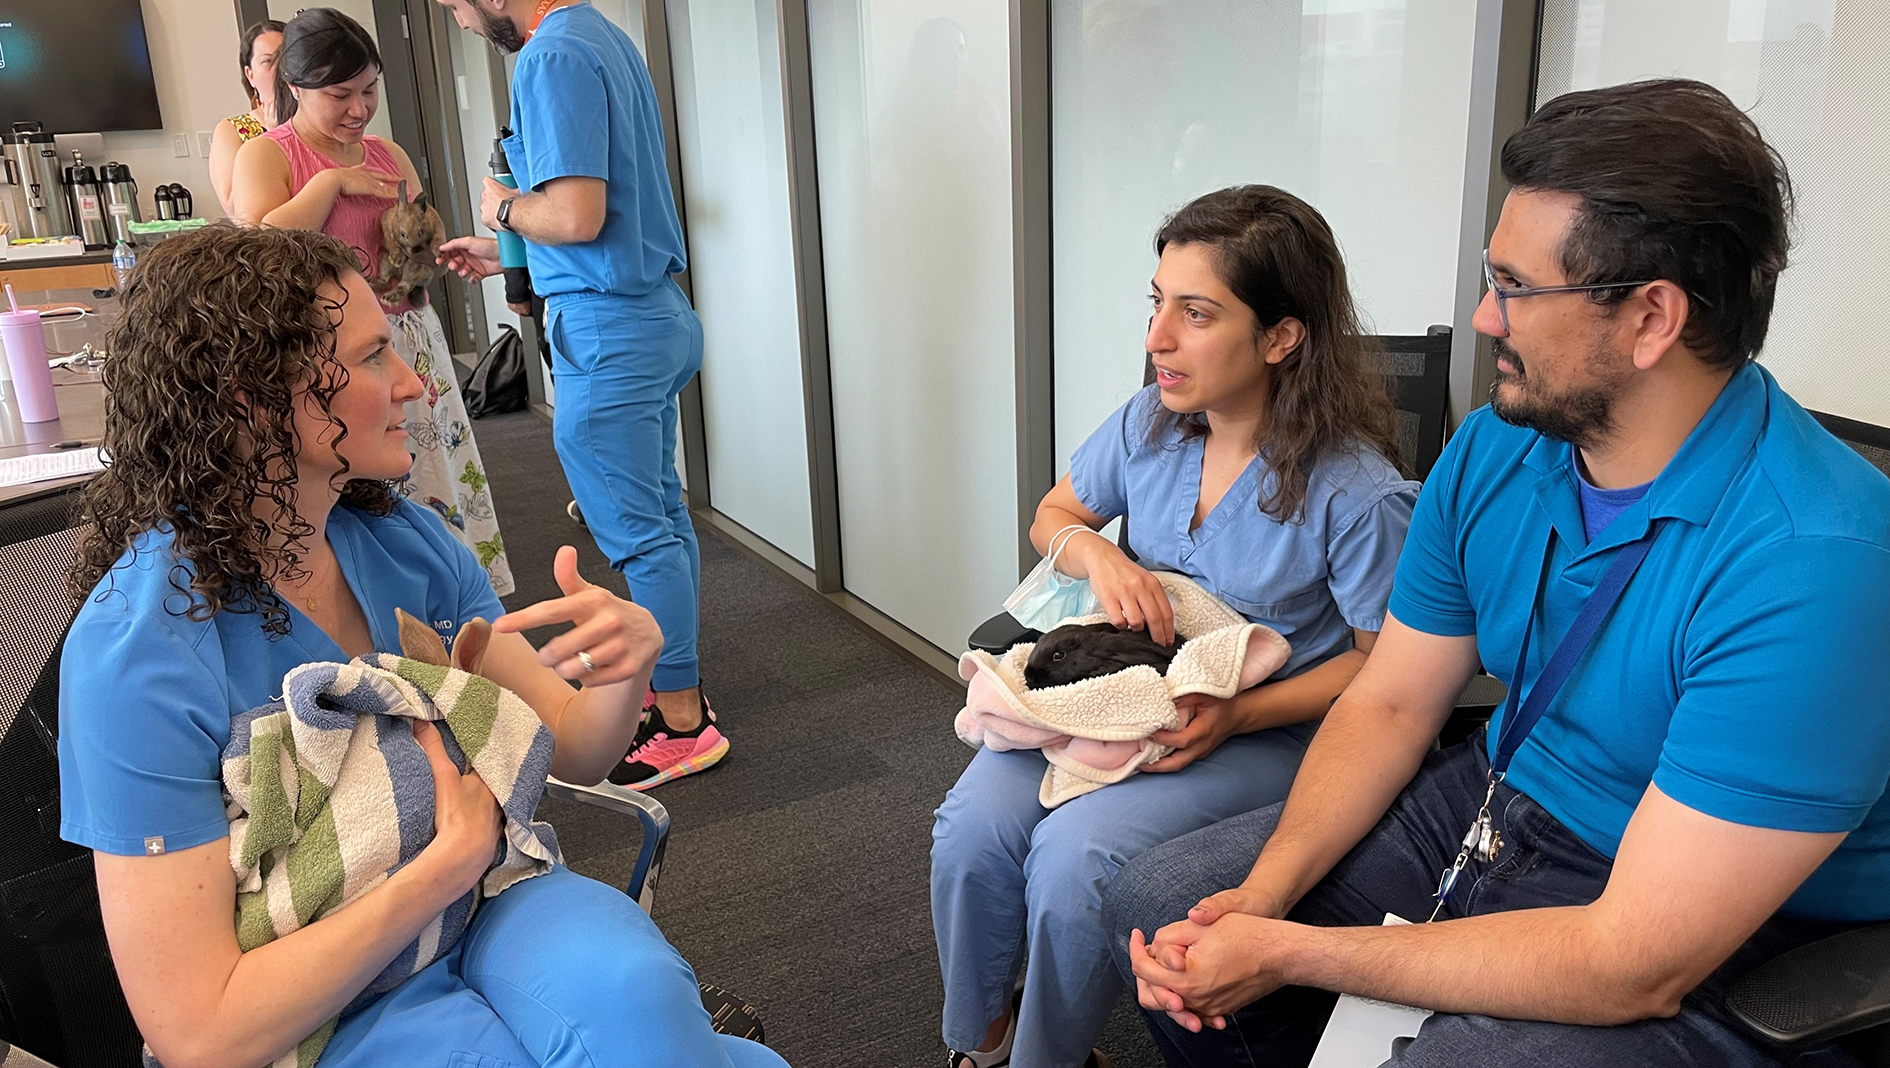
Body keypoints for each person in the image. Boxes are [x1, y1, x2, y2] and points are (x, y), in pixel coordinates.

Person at [1102, 79, 1890, 1068]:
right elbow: (1391, 702)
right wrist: (1264, 898)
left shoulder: (1818, 564)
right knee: (1165, 904)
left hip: (1731, 921)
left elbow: (1634, 961)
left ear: (1652, 318)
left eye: (1515, 287)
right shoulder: (1498, 450)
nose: (1483, 316)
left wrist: (1292, 951)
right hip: (1506, 794)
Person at [57, 223, 788, 1068]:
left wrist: (630, 666)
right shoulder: (138, 653)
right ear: (253, 399)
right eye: (373, 358)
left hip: (485, 905)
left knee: (640, 999)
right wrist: (444, 865)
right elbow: (201, 1033)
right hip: (321, 990)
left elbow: (579, 747)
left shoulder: (401, 539)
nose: (414, 385)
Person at [932, 185, 1418, 1068]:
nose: (1157, 337)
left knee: (1073, 863)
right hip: (1128, 694)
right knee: (970, 828)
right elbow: (1053, 513)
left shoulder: (1358, 493)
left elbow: (1385, 672)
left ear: (1281, 336)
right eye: (1157, 304)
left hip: (1263, 729)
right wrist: (1098, 555)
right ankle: (983, 1043)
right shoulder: (1150, 425)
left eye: (1195, 313)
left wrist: (1237, 714)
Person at [434, 0, 725, 793]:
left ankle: (682, 722)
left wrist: (497, 206)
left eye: (455, 4)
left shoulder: (549, 55)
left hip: (609, 331)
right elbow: (602, 215)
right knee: (661, 520)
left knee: (640, 533)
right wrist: (508, 259)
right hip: (646, 314)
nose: (461, 21)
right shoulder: (601, 37)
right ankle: (676, 697)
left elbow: (573, 211)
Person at [233, 7, 515, 598]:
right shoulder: (269, 154)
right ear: (294, 87)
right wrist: (331, 184)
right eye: (340, 94)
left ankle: (448, 593)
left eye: (368, 91)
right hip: (329, 354)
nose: (359, 110)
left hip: (409, 339)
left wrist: (437, 252)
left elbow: (405, 238)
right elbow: (257, 245)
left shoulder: (387, 154)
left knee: (428, 470)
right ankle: (374, 602)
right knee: (352, 478)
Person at [208, 19, 285, 219]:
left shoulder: (315, 123)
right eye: (268, 61)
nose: (279, 70)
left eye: (285, 58)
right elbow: (237, 211)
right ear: (250, 75)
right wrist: (277, 135)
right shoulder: (231, 130)